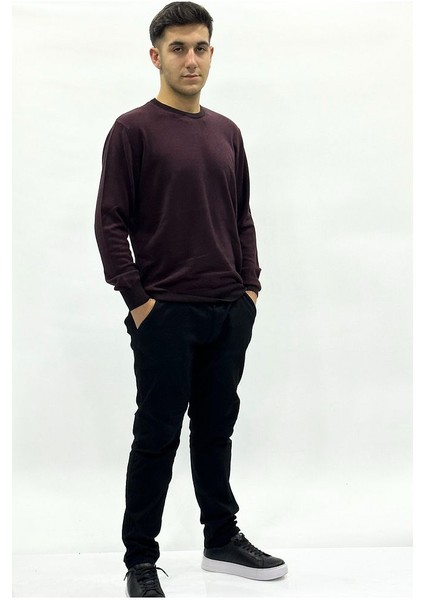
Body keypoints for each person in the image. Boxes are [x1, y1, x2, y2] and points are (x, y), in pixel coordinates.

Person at [95, 2, 288, 596]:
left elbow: (241, 215)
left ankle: (220, 538)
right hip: (164, 313)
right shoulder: (132, 130)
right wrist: (138, 301)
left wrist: (249, 289)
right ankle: (140, 558)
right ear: (156, 56)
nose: (190, 59)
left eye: (200, 47)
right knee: (156, 436)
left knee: (215, 429)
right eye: (178, 48)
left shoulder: (227, 132)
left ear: (211, 53)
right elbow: (110, 221)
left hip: (227, 309)